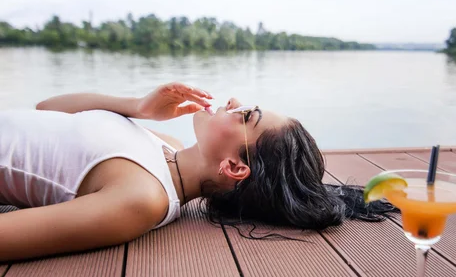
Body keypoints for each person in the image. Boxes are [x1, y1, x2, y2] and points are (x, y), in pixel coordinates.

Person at [0, 83, 394, 262]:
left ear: (234, 167)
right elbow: (46, 109)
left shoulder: (142, 199)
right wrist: (137, 105)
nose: (234, 101)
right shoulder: (163, 145)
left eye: (246, 115)